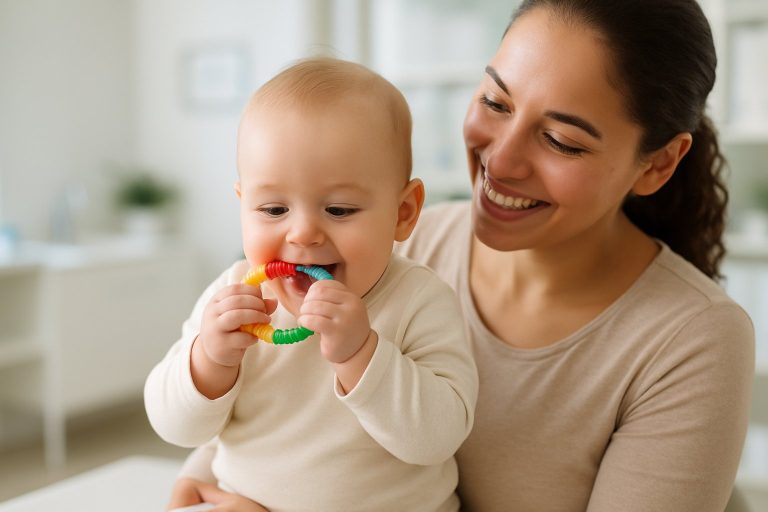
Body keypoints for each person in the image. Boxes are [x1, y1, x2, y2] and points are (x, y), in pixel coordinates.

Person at [168, 0, 756, 510]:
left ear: (657, 164)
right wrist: (202, 483)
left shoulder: (694, 341)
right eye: (496, 103)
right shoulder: (392, 244)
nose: (499, 161)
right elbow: (267, 415)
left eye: (561, 141)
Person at [144, 57, 478, 512]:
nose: (302, 234)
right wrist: (208, 360)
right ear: (243, 204)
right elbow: (174, 427)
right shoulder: (236, 294)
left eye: (339, 210)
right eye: (273, 210)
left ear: (403, 213)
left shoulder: (420, 300)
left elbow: (437, 438)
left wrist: (361, 354)